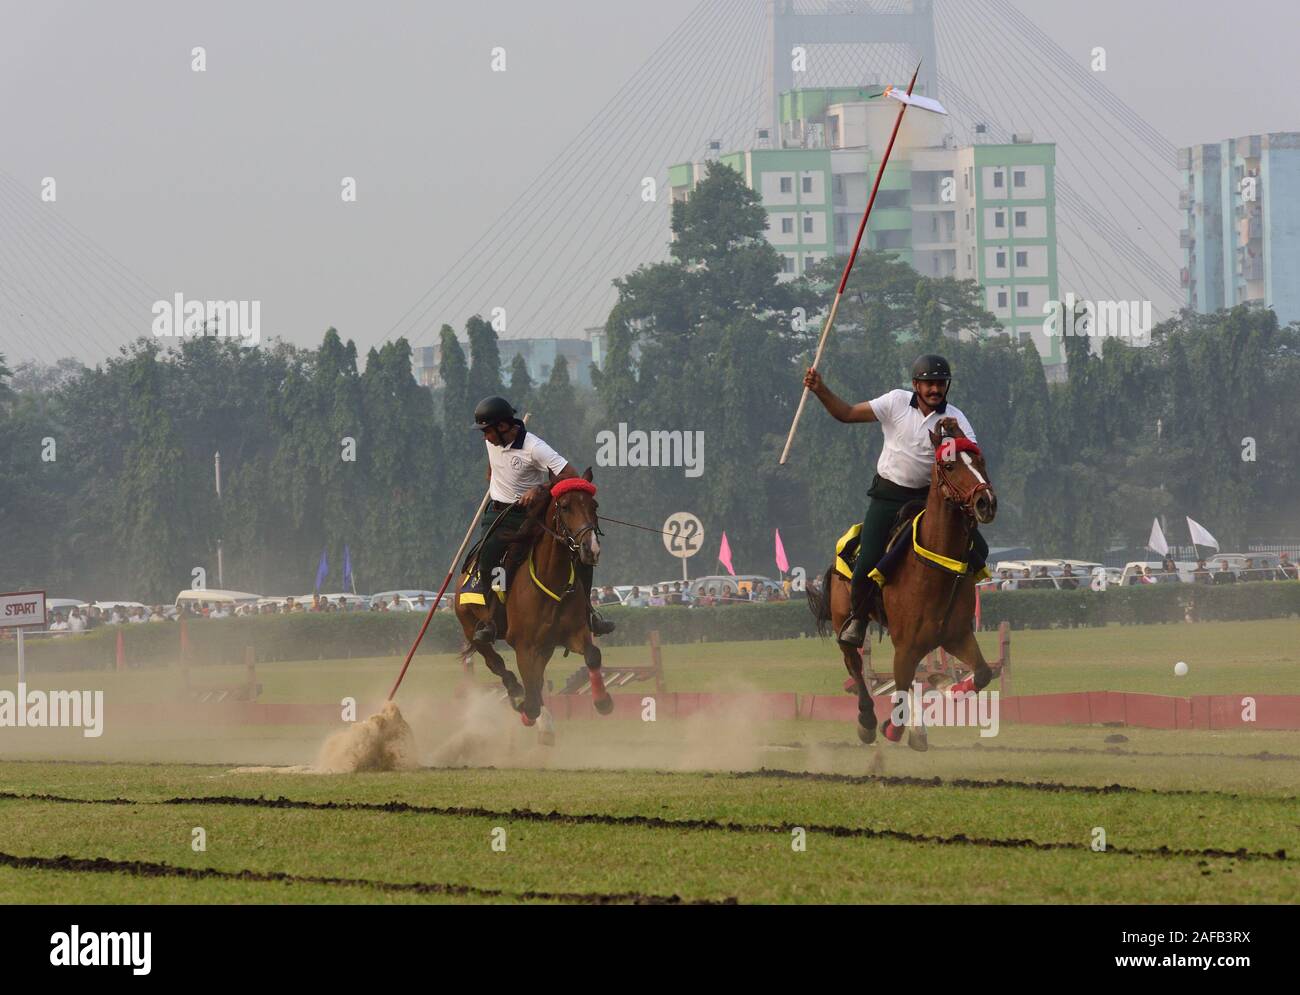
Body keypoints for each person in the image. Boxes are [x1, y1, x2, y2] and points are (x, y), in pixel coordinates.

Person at [804, 354, 990, 646]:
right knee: (868, 557)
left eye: (940, 384)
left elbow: (971, 460)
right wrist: (820, 389)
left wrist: (954, 436)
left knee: (979, 548)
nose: (934, 390)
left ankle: (955, 616)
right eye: (928, 384)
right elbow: (847, 413)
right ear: (916, 384)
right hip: (889, 496)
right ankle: (859, 618)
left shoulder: (956, 417)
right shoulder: (895, 402)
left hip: (931, 500)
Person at [469, 395, 614, 644]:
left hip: (533, 513)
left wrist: (541, 489)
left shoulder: (535, 447)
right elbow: (493, 467)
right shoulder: (493, 441)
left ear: (503, 427)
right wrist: (494, 480)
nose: (485, 437)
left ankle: (588, 612)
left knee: (578, 552)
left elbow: (570, 475)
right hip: (499, 512)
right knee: (489, 557)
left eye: (487, 431)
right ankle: (492, 619)